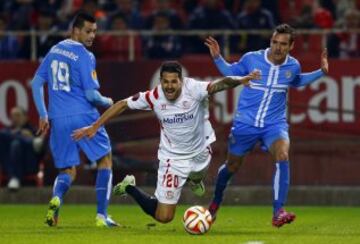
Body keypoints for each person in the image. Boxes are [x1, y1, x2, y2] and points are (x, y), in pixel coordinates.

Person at [72, 61, 260, 223]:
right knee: (164, 217)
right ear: (160, 81)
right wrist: (95, 126)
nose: (169, 86)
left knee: (197, 176)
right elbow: (122, 104)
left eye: (173, 82)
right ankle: (129, 186)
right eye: (165, 82)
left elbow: (220, 85)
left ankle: (195, 179)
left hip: (200, 151)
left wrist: (239, 81)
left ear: (181, 81)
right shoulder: (154, 96)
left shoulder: (193, 88)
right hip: (173, 160)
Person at [204, 23, 329, 227]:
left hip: (274, 125)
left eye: (282, 44)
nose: (277, 47)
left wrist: (320, 72)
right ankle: (215, 203)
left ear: (291, 46)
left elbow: (296, 81)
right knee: (232, 166)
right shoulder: (252, 58)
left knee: (283, 154)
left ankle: (278, 211)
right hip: (245, 124)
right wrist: (218, 57)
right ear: (270, 42)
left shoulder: (293, 65)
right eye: (274, 42)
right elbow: (230, 72)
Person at [31, 12, 118, 227]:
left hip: (58, 118)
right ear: (75, 30)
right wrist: (108, 101)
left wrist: (43, 114)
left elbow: (35, 83)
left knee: (68, 169)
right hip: (84, 115)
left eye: (95, 31)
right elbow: (91, 96)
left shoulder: (54, 50)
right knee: (105, 159)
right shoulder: (86, 56)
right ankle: (101, 216)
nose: (92, 36)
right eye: (88, 31)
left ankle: (57, 200)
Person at [0, 107, 44, 190]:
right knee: (6, 138)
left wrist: (31, 136)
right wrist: (24, 137)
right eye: (12, 116)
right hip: (9, 166)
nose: (15, 118)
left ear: (25, 117)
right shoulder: (6, 132)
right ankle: (29, 141)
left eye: (17, 115)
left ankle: (15, 177)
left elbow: (41, 152)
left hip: (29, 165)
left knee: (16, 143)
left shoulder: (35, 131)